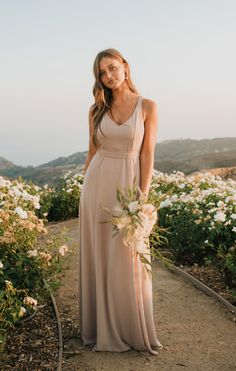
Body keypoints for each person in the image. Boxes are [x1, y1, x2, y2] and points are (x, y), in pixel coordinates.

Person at [78, 48, 163, 355]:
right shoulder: (95, 109)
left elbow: (147, 154)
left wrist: (142, 198)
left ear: (125, 67)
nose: (108, 76)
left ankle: (130, 329)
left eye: (112, 68)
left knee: (128, 259)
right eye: (102, 72)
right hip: (96, 188)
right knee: (100, 257)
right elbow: (91, 152)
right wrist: (82, 193)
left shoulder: (147, 106)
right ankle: (100, 329)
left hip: (127, 189)